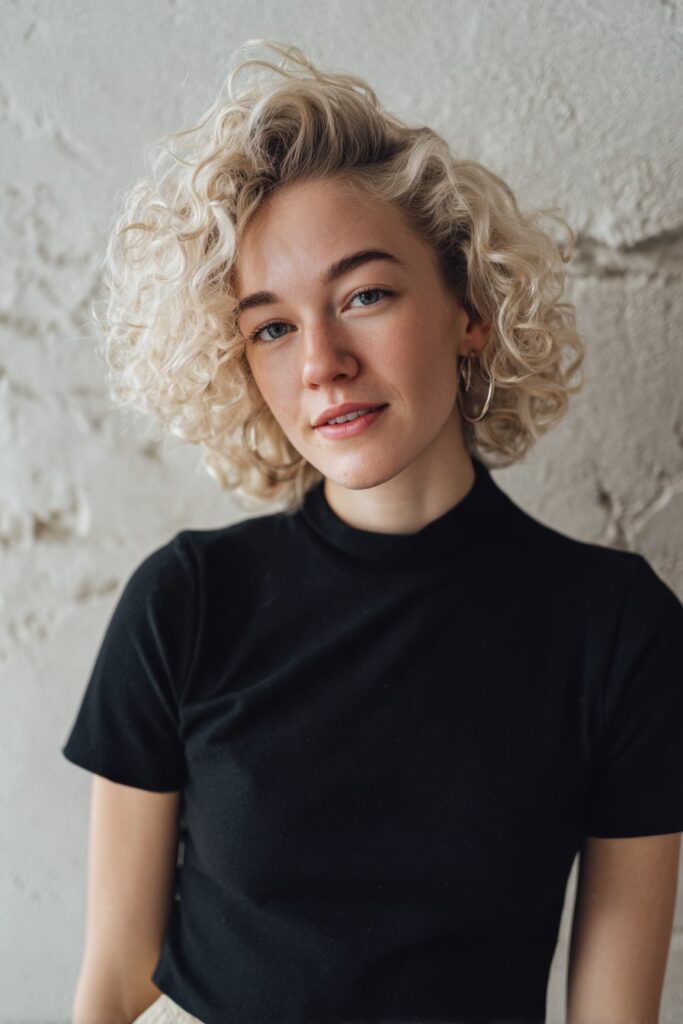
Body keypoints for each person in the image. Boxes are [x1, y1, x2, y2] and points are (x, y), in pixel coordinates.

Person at [61, 38, 683, 1024]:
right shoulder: (184, 600)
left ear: (469, 310)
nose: (320, 361)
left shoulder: (617, 633)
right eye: (269, 325)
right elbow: (112, 984)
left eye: (363, 295)